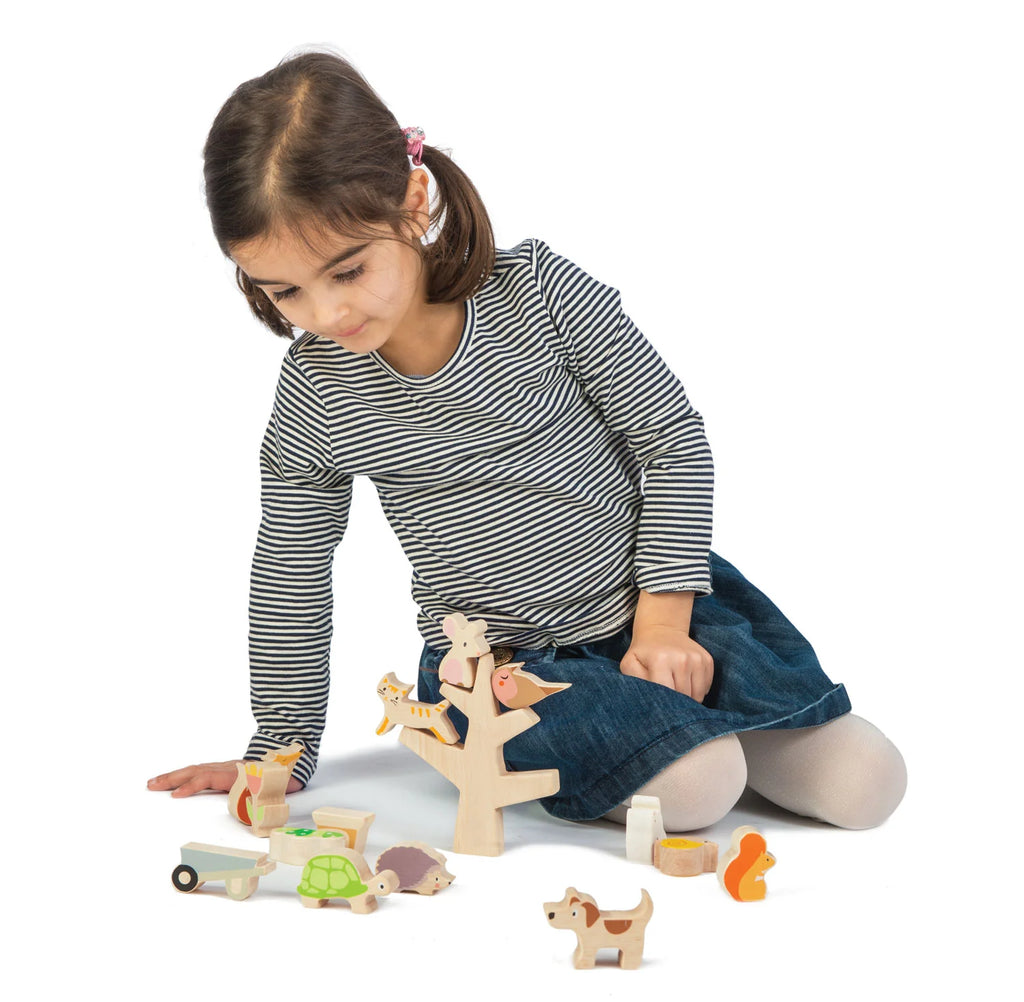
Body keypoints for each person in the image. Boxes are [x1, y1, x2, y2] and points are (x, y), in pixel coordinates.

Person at [148, 50, 906, 831]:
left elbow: (671, 439)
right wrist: (280, 747)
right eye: (286, 291)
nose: (328, 313)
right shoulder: (317, 395)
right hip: (506, 670)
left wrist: (664, 626)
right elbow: (290, 570)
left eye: (348, 270)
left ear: (413, 201)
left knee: (867, 783)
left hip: (655, 606)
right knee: (703, 787)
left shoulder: (539, 292)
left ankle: (709, 731)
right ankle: (692, 745)